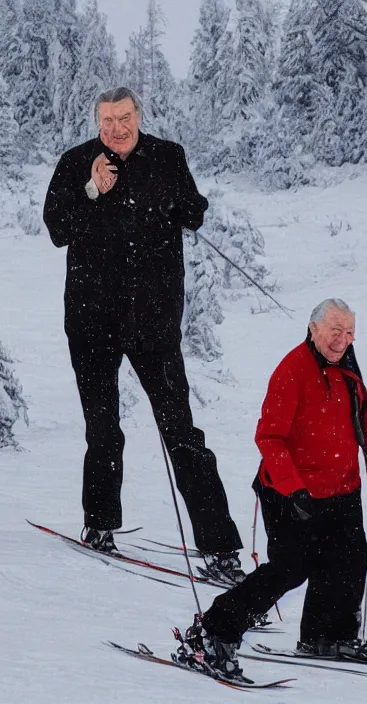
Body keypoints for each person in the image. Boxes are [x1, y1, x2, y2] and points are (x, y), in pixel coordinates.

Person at [42, 87, 245, 584]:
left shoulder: (167, 156)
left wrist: (176, 200)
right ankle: (100, 525)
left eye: (125, 117)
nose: (117, 128)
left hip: (152, 323)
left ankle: (220, 547)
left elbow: (194, 213)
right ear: (97, 122)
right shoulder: (76, 164)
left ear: (139, 115)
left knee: (182, 434)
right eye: (108, 119)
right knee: (104, 431)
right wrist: (93, 191)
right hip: (92, 323)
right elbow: (56, 228)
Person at [181, 299, 367, 679]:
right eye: (335, 330)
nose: (342, 340)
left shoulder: (348, 369)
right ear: (313, 328)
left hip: (342, 488)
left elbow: (361, 419)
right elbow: (270, 437)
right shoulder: (292, 370)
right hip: (291, 492)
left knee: (349, 559)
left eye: (349, 333)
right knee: (289, 569)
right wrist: (293, 488)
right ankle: (213, 632)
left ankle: (327, 637)